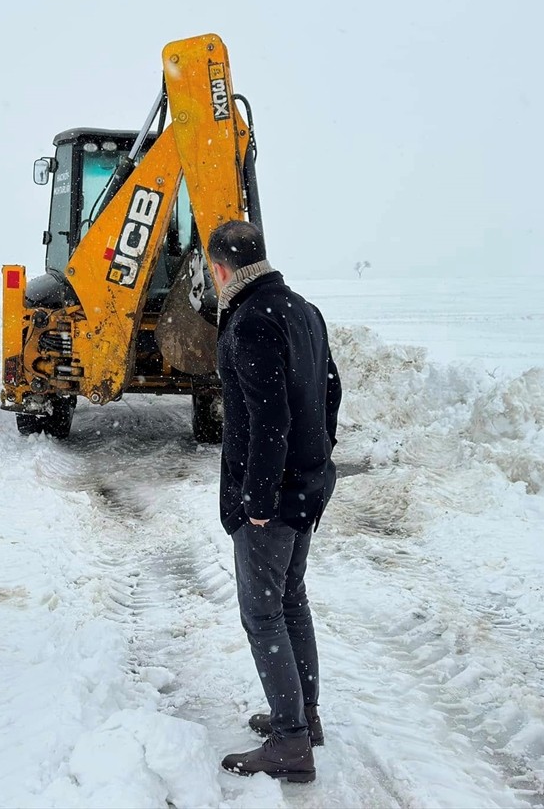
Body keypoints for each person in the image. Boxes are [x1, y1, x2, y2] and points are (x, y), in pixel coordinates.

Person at [208, 220, 341, 783]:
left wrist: (258, 499)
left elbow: (269, 419)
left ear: (220, 269)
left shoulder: (250, 321)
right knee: (290, 600)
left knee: (262, 614)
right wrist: (317, 459)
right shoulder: (303, 310)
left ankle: (290, 743)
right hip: (306, 485)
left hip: (274, 496)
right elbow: (330, 390)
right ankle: (304, 717)